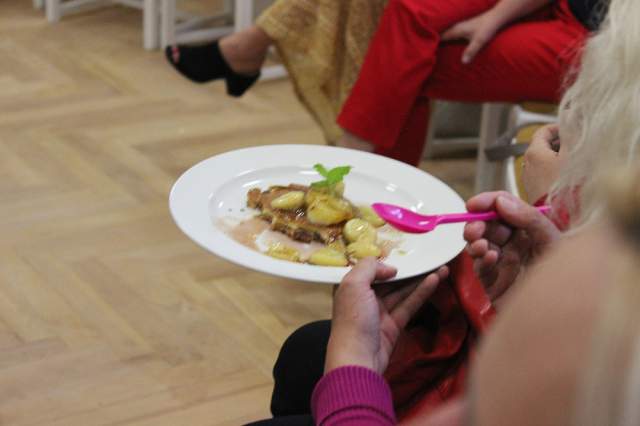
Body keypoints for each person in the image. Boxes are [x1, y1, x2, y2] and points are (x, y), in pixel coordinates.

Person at [245, 0, 640, 422]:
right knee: (305, 350)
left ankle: (263, 65)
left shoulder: (601, 312)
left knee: (406, 51)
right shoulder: (597, 280)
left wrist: (353, 362)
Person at [166, 0, 604, 166]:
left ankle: (354, 169)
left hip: (607, 39)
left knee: (402, 56)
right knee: (395, 42)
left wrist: (495, 16)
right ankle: (374, 200)